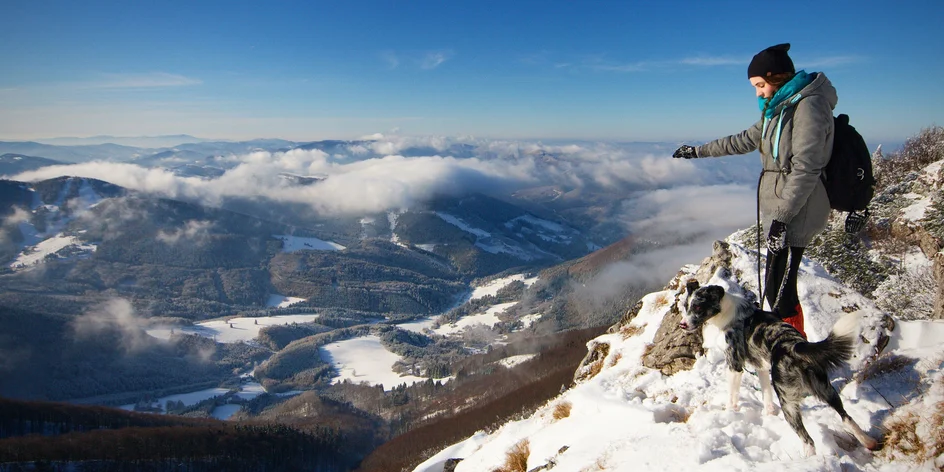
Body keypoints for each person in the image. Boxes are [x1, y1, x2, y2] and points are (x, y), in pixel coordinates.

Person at [672, 43, 838, 338]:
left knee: (781, 294)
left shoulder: (809, 107)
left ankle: (794, 355)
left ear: (777, 77)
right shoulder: (778, 110)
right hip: (782, 211)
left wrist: (783, 218)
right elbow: (743, 140)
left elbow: (806, 168)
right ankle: (787, 350)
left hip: (799, 210)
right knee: (776, 290)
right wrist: (697, 151)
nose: (759, 92)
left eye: (760, 84)